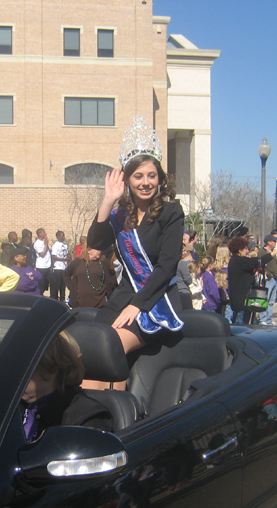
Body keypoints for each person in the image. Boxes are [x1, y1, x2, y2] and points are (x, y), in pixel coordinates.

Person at [87, 116, 184, 366]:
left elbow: (167, 266)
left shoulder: (171, 213)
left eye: (152, 176)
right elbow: (96, 243)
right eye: (138, 176)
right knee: (89, 344)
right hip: (123, 297)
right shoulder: (120, 216)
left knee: (111, 346)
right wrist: (108, 201)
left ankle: (117, 405)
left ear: (160, 179)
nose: (145, 182)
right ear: (128, 180)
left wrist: (138, 306)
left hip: (157, 301)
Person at [21, 331, 113, 443]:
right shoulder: (12, 406)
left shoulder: (88, 416)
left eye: (23, 369)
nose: (14, 376)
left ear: (51, 369)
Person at [227, 236, 277, 325]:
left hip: (240, 300)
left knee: (244, 323)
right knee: (241, 326)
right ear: (239, 250)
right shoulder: (240, 261)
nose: (247, 251)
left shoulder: (234, 261)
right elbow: (259, 261)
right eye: (245, 249)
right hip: (242, 301)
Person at [257, 234, 277, 326]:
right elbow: (260, 264)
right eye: (274, 241)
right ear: (268, 242)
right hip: (266, 279)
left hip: (273, 279)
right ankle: (263, 319)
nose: (275, 243)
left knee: (271, 301)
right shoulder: (262, 252)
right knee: (264, 300)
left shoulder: (272, 252)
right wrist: (267, 273)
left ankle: (268, 318)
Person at [50, 230, 70, 302]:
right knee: (57, 284)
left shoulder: (65, 245)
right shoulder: (56, 245)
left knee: (63, 284)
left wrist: (68, 258)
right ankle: (55, 298)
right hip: (58, 267)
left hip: (64, 267)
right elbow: (54, 256)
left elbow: (67, 253)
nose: (64, 237)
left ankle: (62, 298)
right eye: (62, 235)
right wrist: (64, 259)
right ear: (58, 236)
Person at [33, 228, 52, 296]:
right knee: (42, 284)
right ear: (40, 234)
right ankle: (39, 296)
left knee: (51, 282)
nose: (45, 234)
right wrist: (46, 244)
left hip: (48, 265)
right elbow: (42, 254)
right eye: (44, 232)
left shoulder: (43, 242)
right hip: (41, 266)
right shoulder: (37, 243)